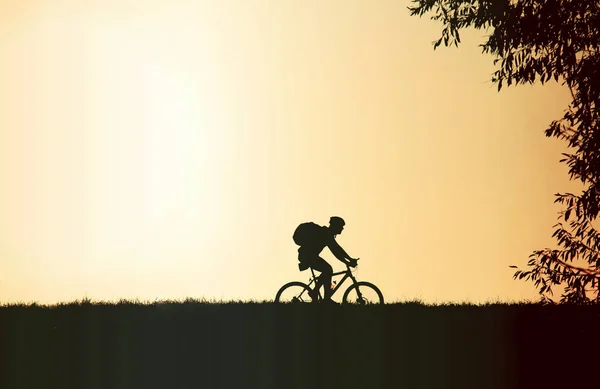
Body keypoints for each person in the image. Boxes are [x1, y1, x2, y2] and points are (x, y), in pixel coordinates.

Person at [296, 216, 358, 303]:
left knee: (327, 270)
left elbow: (338, 249)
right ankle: (321, 296)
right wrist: (348, 261)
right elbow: (336, 252)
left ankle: (320, 295)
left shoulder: (327, 234)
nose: (342, 228)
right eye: (341, 226)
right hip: (307, 256)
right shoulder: (326, 234)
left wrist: (349, 259)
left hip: (308, 256)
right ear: (335, 226)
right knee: (328, 270)